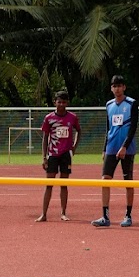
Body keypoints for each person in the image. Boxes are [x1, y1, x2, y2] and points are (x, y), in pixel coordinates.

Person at [93, 75, 139, 228]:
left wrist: (125, 146)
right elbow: (108, 128)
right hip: (111, 147)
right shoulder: (109, 105)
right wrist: (104, 148)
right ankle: (105, 216)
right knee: (105, 179)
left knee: (128, 182)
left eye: (119, 86)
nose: (117, 89)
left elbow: (133, 127)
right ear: (111, 88)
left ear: (124, 87)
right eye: (114, 86)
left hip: (127, 149)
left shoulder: (131, 103)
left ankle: (128, 215)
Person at [37, 89, 81, 222]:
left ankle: (63, 213)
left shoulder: (72, 117)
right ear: (55, 102)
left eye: (64, 102)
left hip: (66, 155)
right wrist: (44, 157)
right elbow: (45, 138)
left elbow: (79, 131)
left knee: (64, 184)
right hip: (53, 154)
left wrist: (74, 147)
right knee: (49, 184)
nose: (61, 104)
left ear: (67, 103)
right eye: (59, 102)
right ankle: (44, 214)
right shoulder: (49, 118)